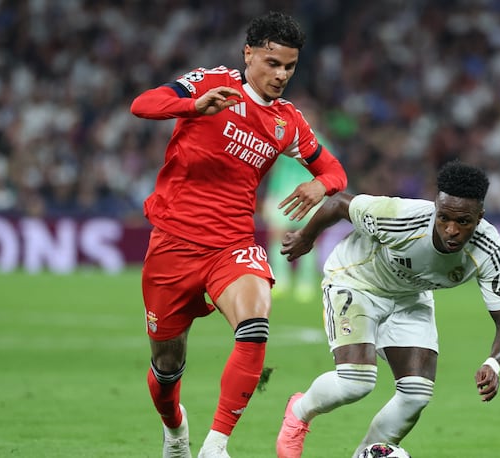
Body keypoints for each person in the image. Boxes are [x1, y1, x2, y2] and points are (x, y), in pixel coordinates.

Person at [129, 11, 347, 458]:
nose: (281, 74)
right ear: (249, 53)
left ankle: (216, 444)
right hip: (173, 243)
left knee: (255, 325)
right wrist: (193, 106)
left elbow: (333, 169)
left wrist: (319, 184)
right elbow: (143, 104)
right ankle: (175, 429)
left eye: (289, 66)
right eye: (272, 63)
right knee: (167, 367)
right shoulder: (210, 83)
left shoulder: (287, 122)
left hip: (232, 244)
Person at [275, 160, 500, 458]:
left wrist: (493, 364)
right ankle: (298, 412)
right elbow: (339, 203)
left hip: (410, 296)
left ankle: (367, 454)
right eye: (443, 218)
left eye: (464, 222)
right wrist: (305, 237)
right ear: (435, 208)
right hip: (357, 280)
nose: (451, 230)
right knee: (356, 382)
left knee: (416, 394)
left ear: (479, 217)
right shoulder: (401, 218)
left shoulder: (488, 249)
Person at [261, 98, 336, 302]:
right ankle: (281, 279)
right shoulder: (286, 141)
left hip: (311, 196)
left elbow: (328, 172)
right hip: (284, 194)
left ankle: (305, 282)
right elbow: (275, 170)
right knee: (278, 236)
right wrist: (271, 195)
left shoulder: (321, 143)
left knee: (308, 238)